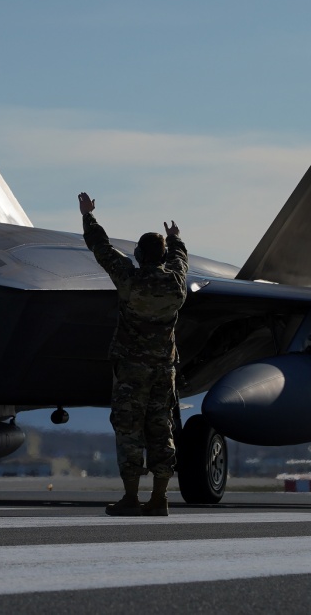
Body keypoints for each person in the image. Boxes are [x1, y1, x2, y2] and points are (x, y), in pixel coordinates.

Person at [78, 192, 188, 516]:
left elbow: (101, 249)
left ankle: (130, 496)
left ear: (139, 254)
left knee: (129, 429)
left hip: (131, 371)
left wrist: (88, 215)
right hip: (163, 370)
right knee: (161, 428)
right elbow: (180, 260)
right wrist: (175, 239)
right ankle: (159, 498)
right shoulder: (177, 286)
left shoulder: (129, 279)